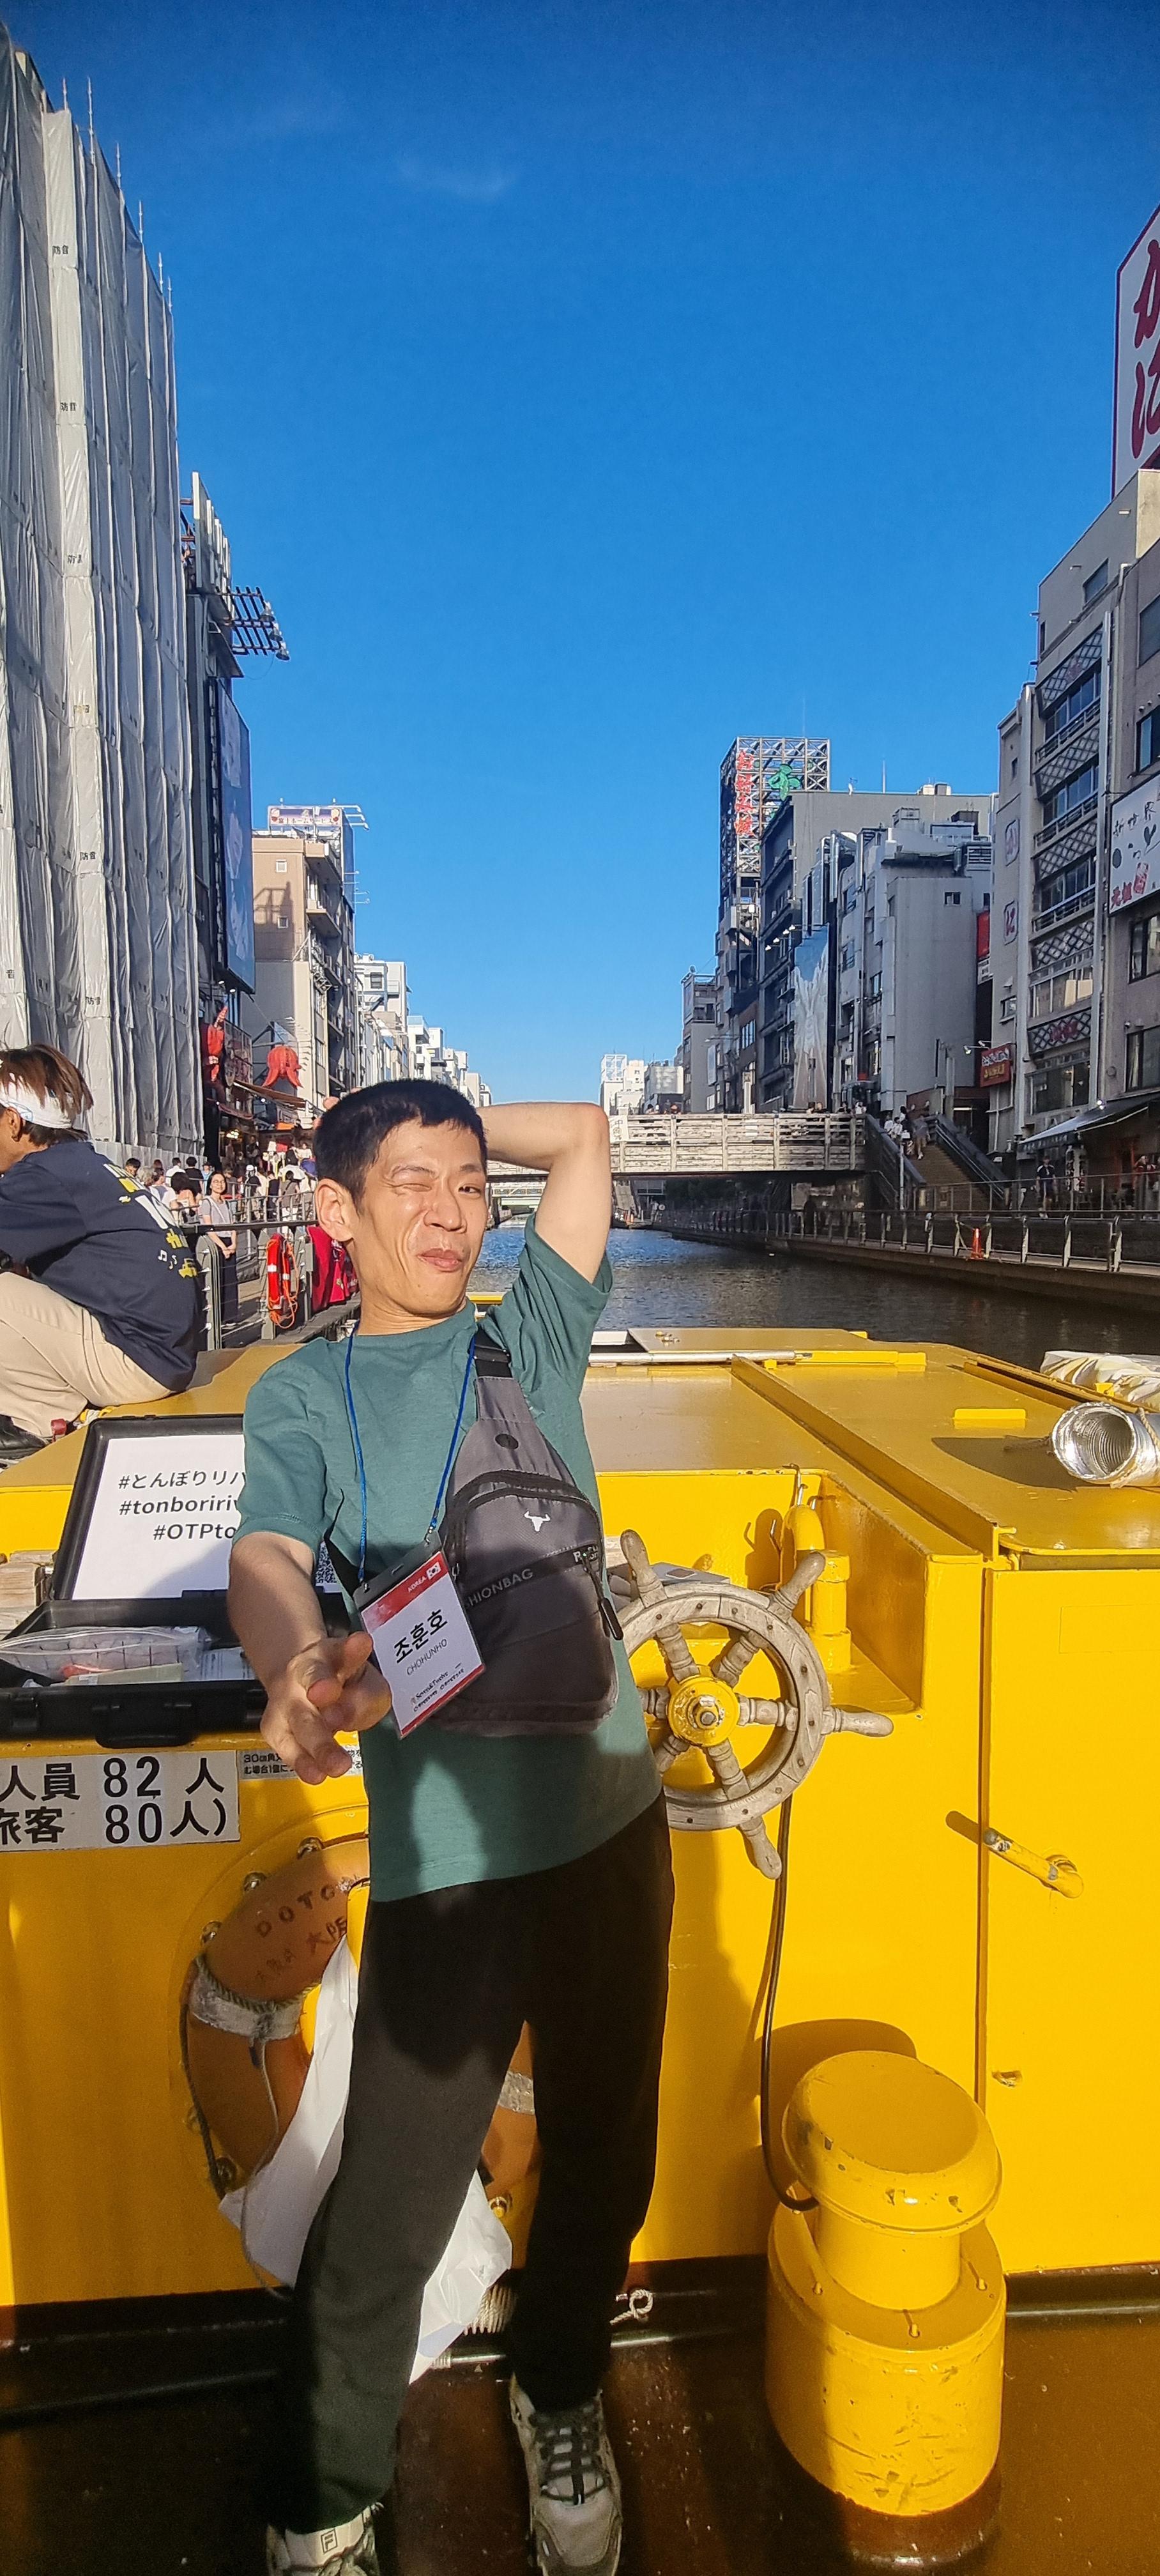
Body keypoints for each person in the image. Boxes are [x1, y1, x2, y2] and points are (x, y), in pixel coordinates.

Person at [229, 1080, 669, 2576]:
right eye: (409, 1184)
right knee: (395, 2198)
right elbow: (267, 1554)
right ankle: (322, 2497)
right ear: (336, 1213)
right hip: (452, 1863)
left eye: (470, 1185)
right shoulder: (304, 1393)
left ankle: (560, 2391)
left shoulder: (528, 1337)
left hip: (611, 1823)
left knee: (608, 2152)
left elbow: (586, 1139)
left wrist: (436, 1119)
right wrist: (296, 1662)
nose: (450, 1212)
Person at [0, 1045, 200, 1459]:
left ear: (13, 1122)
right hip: (161, 1354)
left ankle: (39, 1420)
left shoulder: (41, 1177)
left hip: (135, 1360)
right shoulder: (81, 1166)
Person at [197, 1169, 239, 1327]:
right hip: (217, 1242)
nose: (219, 1185)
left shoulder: (227, 1203)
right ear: (210, 1185)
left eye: (222, 1182)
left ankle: (230, 1316)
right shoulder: (207, 1202)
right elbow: (208, 1227)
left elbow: (232, 1224)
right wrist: (223, 1247)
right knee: (217, 1279)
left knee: (230, 1280)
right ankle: (218, 1316)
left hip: (229, 1241)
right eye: (216, 1182)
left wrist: (234, 1244)